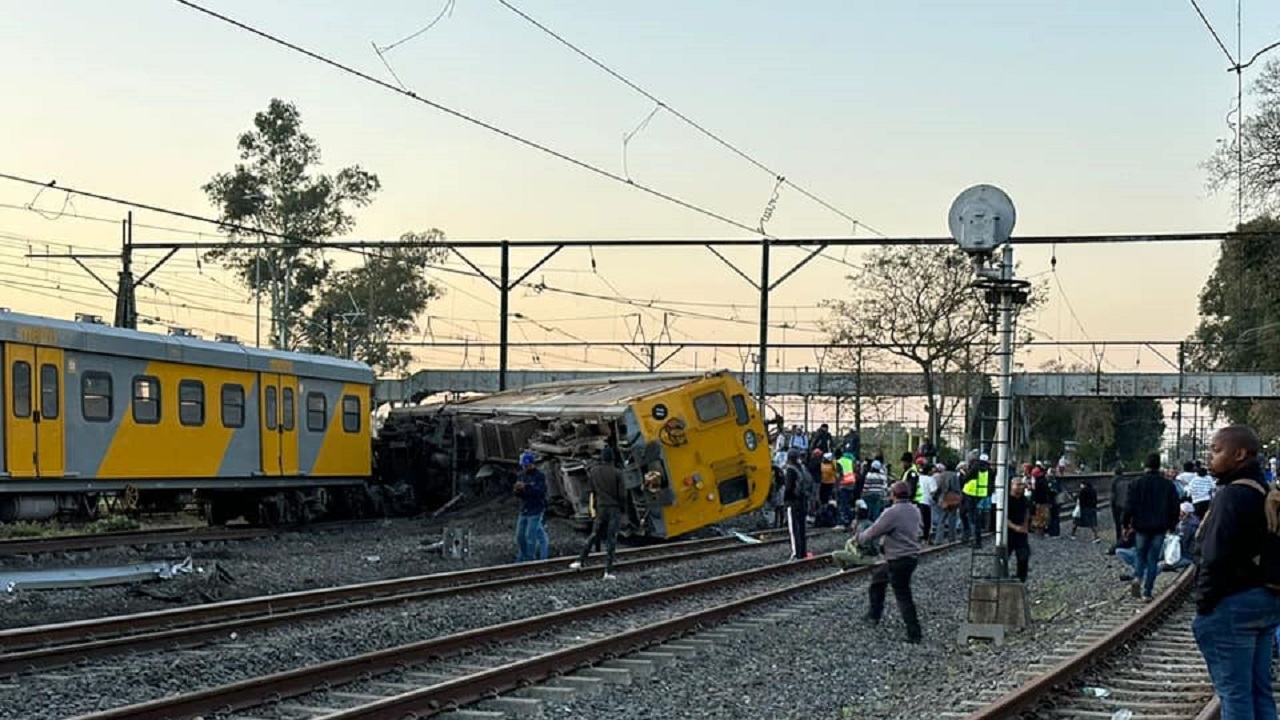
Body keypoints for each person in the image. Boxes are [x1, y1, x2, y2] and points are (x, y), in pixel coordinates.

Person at [1193, 425, 1280, 720]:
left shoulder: (1232, 495)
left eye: (1217, 450)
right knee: (1260, 692)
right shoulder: (1265, 491)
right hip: (1266, 601)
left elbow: (1214, 558)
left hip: (1232, 605)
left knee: (1235, 697)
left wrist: (1204, 606)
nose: (1210, 456)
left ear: (1239, 454)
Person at [856, 481, 923, 643]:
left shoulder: (892, 512)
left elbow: (874, 531)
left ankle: (914, 633)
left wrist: (859, 538)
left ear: (893, 495)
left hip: (897, 559)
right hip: (910, 557)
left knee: (903, 595)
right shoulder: (915, 510)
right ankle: (874, 615)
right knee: (878, 579)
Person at [1124, 453, 1182, 600]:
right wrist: (1172, 525)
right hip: (1160, 527)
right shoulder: (1168, 485)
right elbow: (1175, 507)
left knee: (1139, 554)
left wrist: (1126, 524)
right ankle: (1147, 592)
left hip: (1141, 526)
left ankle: (1137, 577)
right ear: (1159, 466)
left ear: (1146, 465)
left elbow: (1129, 506)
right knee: (1153, 559)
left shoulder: (1137, 483)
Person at [569, 447, 625, 579]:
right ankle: (608, 571)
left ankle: (579, 561)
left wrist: (594, 506)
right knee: (611, 539)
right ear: (612, 459)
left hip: (600, 508)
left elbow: (592, 491)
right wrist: (623, 508)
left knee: (594, 535)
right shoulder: (618, 473)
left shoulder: (593, 472)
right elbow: (622, 494)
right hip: (614, 508)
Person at [513, 451, 549, 563]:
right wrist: (518, 490)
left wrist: (527, 487)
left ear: (532, 464)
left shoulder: (539, 476)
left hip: (536, 509)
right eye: (523, 465)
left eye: (526, 465)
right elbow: (517, 493)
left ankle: (530, 559)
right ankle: (524, 556)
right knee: (520, 536)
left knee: (531, 535)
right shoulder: (521, 475)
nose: (524, 467)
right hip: (524, 508)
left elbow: (541, 492)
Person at [783, 450, 809, 561]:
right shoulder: (802, 468)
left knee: (794, 528)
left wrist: (786, 499)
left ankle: (796, 553)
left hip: (793, 501)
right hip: (803, 500)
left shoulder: (790, 470)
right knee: (802, 527)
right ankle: (803, 552)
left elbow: (788, 488)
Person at [961, 454, 992, 547]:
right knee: (973, 516)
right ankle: (970, 537)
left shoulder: (975, 467)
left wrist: (964, 474)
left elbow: (966, 478)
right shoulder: (989, 470)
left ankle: (974, 539)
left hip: (969, 493)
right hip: (980, 494)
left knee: (967, 515)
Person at [1159, 502, 1199, 573]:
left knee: (1162, 566)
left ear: (1185, 513)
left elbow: (1181, 542)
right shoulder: (1187, 521)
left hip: (1186, 555)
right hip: (1184, 552)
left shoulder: (1188, 525)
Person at [1007, 477, 1031, 582]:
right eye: (1018, 485)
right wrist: (1015, 527)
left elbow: (1027, 512)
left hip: (1021, 532)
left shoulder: (1024, 500)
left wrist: (1025, 526)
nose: (1021, 487)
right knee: (1004, 555)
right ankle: (1002, 575)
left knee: (1024, 554)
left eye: (1022, 485)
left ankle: (1021, 577)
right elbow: (1002, 518)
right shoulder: (1006, 500)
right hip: (1008, 533)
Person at [1109, 468, 1134, 555]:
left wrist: (1112, 505)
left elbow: (1113, 496)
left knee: (1118, 525)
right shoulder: (1128, 481)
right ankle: (1126, 541)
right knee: (1126, 525)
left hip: (1117, 506)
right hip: (1126, 505)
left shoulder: (1114, 482)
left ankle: (1119, 541)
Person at [836, 451, 858, 528]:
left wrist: (837, 486)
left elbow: (839, 475)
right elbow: (855, 470)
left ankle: (844, 522)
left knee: (843, 504)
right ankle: (850, 520)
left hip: (843, 485)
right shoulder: (849, 461)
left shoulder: (838, 462)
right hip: (851, 484)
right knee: (848, 503)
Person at [1030, 467, 1051, 535]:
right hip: (1043, 501)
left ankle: (1039, 530)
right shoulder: (1043, 480)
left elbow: (1036, 492)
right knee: (1042, 517)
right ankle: (1041, 530)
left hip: (1039, 501)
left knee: (1039, 517)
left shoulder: (1039, 481)